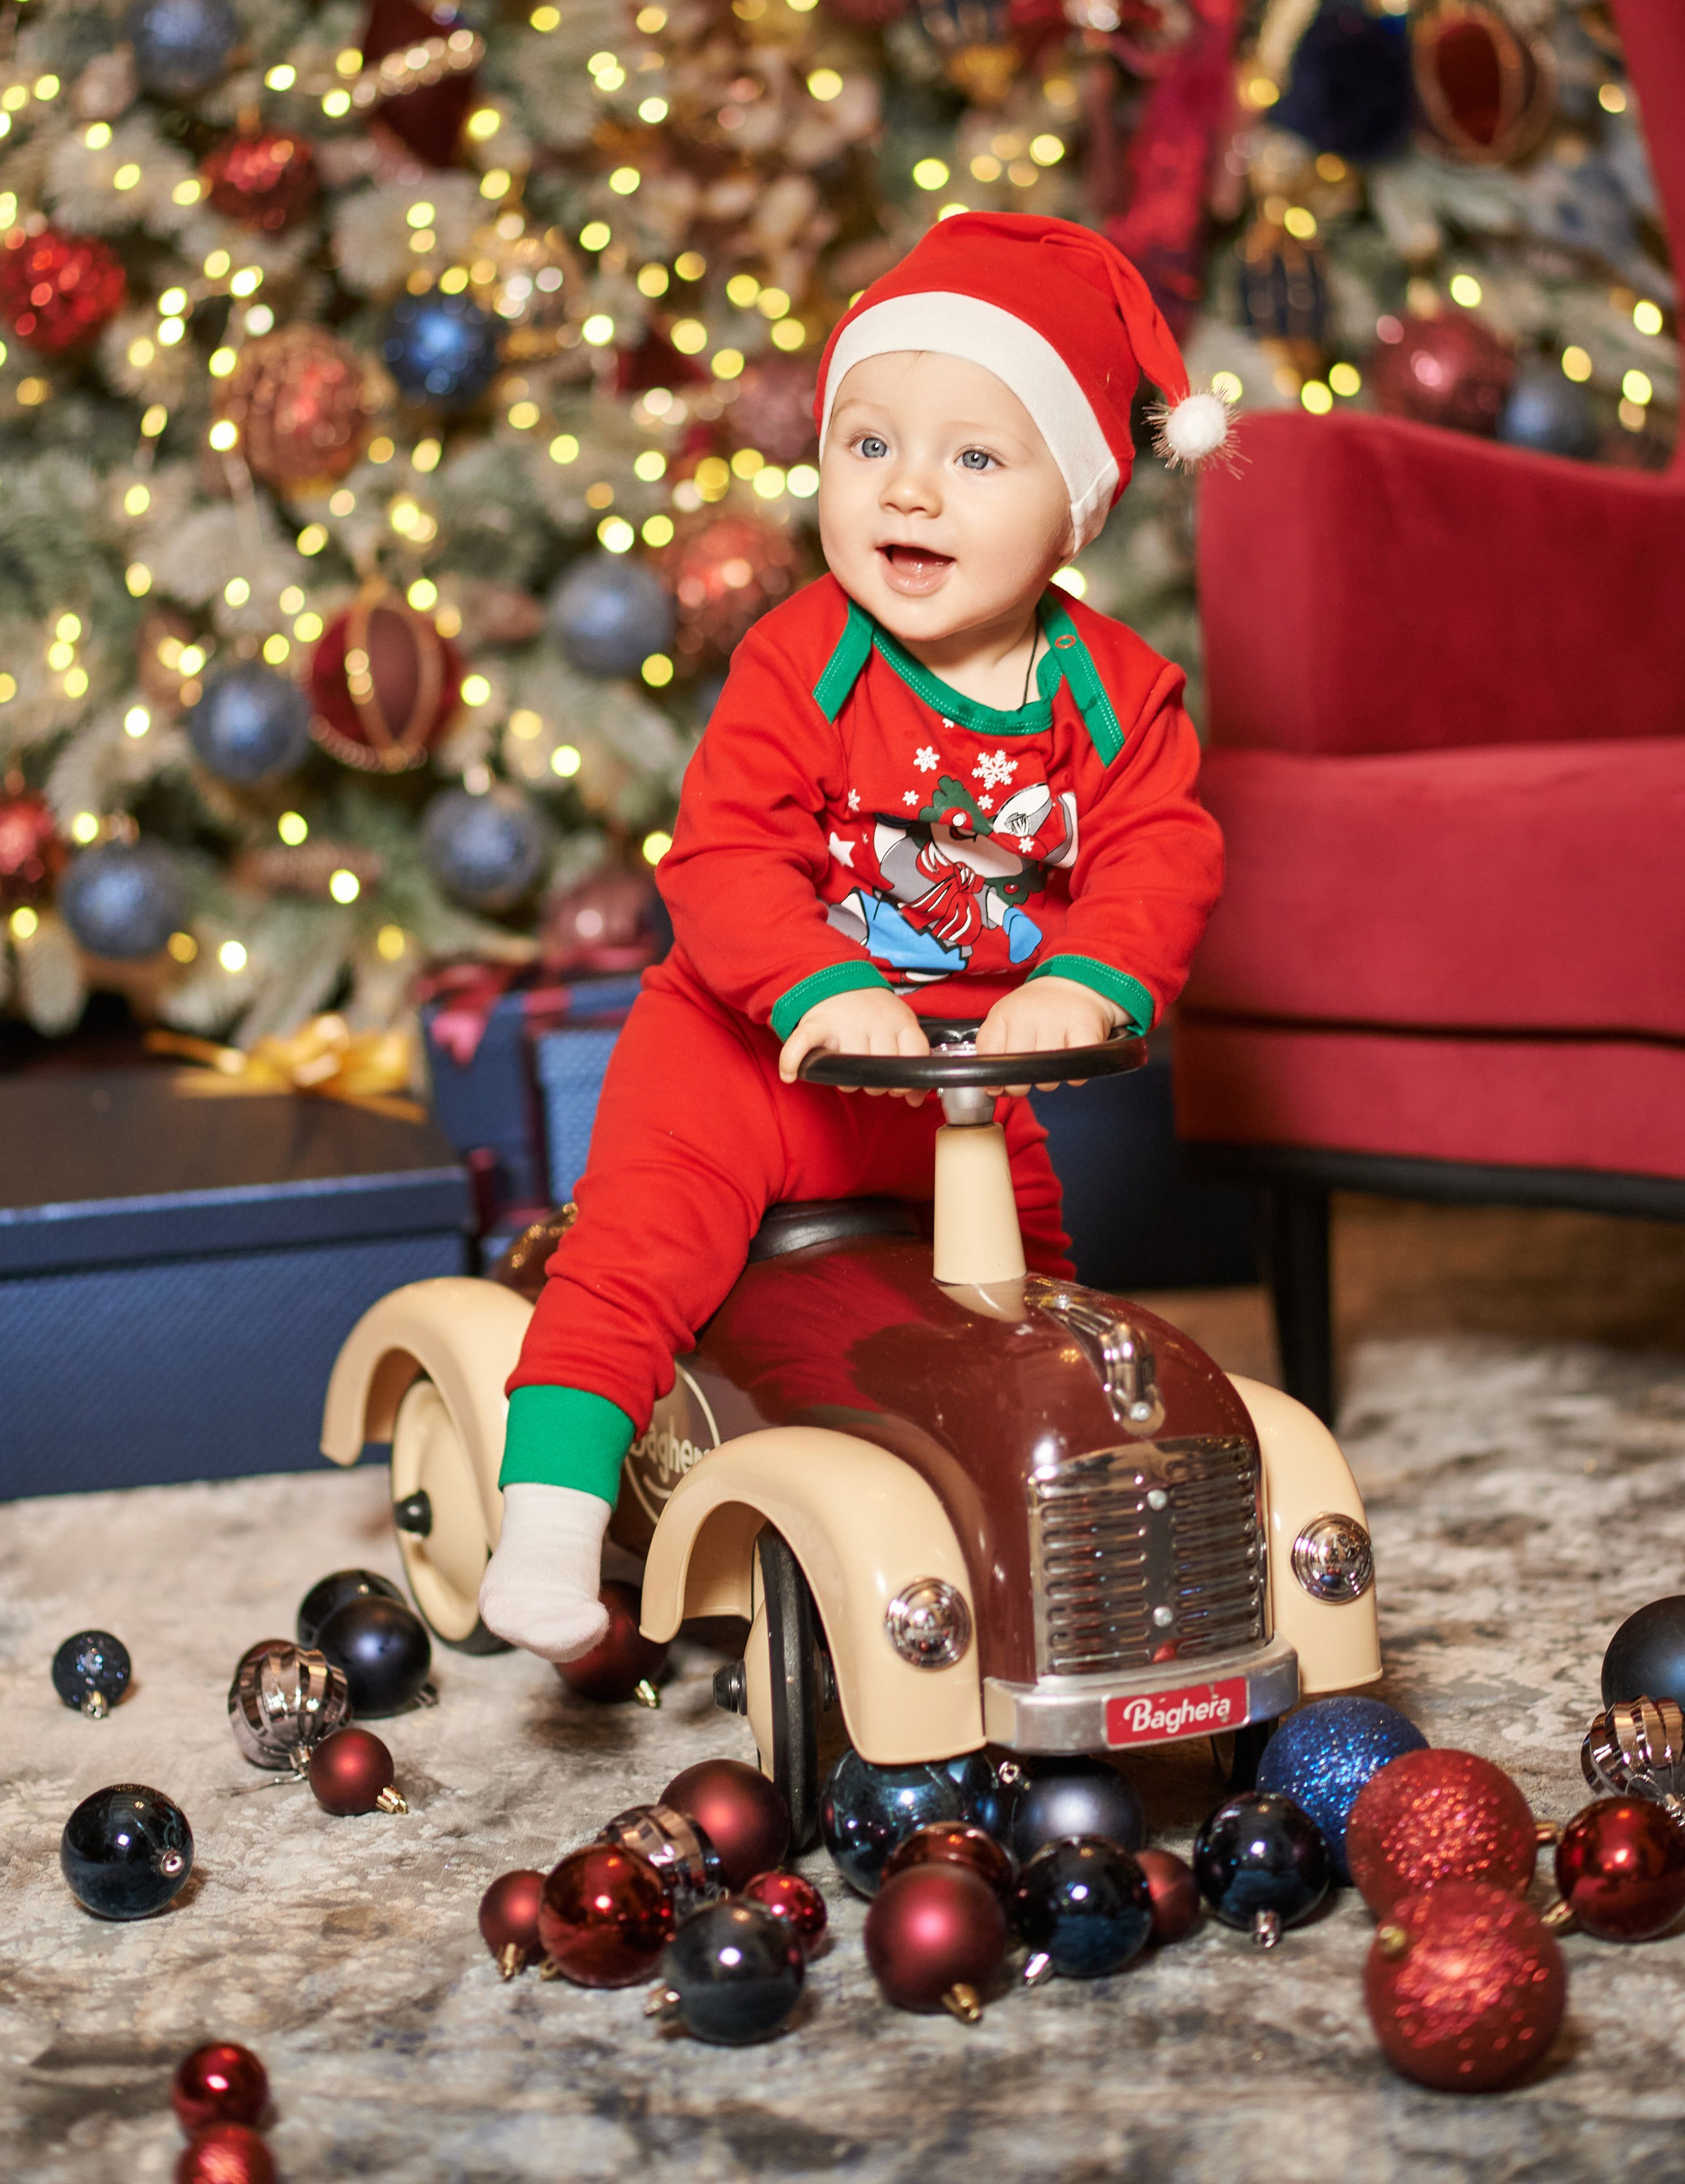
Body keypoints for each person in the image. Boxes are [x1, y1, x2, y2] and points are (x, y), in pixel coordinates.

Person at [480, 211, 1229, 1661]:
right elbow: (724, 852)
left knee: (1036, 1314)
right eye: (868, 444)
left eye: (975, 458)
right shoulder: (803, 656)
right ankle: (551, 1520)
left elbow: (1161, 846)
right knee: (636, 1252)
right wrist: (817, 980)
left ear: (1072, 512)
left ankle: (1043, 1546)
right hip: (744, 1053)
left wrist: (1089, 978)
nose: (910, 489)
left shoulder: (1115, 690)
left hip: (959, 1085)